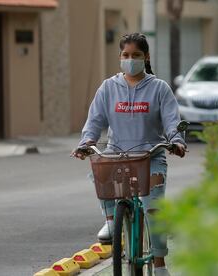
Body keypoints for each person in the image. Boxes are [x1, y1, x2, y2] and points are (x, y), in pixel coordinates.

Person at [71, 33, 186, 276]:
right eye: (126, 55)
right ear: (120, 57)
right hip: (117, 155)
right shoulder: (108, 88)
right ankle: (112, 220)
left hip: (151, 157)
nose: (130, 60)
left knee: (153, 210)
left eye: (136, 55)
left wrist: (176, 141)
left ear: (146, 57)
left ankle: (160, 264)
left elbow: (171, 122)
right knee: (99, 169)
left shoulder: (159, 89)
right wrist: (86, 142)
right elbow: (94, 121)